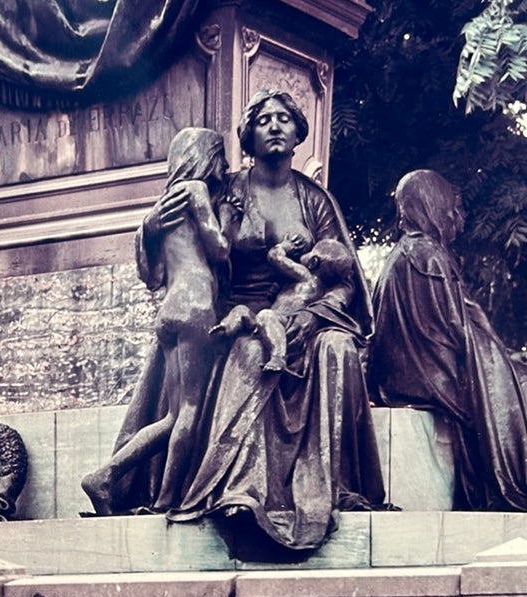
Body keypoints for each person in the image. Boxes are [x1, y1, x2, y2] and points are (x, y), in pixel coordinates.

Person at [86, 90, 385, 552]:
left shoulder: (315, 200)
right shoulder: (228, 190)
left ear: (299, 130)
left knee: (339, 349)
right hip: (231, 313)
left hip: (306, 315)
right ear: (247, 134)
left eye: (284, 118)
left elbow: (344, 278)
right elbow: (180, 250)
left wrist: (311, 316)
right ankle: (239, 491)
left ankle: (334, 484)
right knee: (247, 354)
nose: (275, 126)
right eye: (263, 119)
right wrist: (147, 226)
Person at [82, 128, 229, 513]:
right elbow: (218, 247)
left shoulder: (163, 206)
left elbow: (153, 273)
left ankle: (104, 476)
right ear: (205, 158)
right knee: (191, 412)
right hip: (197, 306)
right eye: (220, 156)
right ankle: (167, 499)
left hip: (168, 310)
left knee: (172, 416)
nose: (225, 166)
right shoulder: (196, 192)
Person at [369, 169, 527, 511]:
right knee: (517, 389)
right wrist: (500, 358)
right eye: (451, 208)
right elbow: (459, 329)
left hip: (402, 376)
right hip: (428, 378)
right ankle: (510, 480)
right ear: (431, 204)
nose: (457, 218)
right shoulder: (429, 255)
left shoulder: (398, 256)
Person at [211, 235, 354, 374]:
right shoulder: (320, 290)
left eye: (309, 252)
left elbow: (274, 257)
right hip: (271, 322)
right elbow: (291, 297)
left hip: (283, 322)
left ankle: (278, 356)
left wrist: (285, 246)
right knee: (242, 310)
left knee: (265, 315)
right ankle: (225, 328)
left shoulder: (304, 274)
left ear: (313, 262)